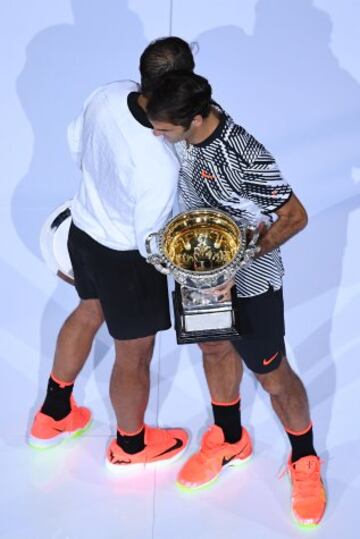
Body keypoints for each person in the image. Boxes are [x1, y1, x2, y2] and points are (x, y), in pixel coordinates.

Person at [146, 70, 326, 527]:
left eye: (164, 129)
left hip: (251, 282)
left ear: (196, 118)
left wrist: (238, 263)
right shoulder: (185, 129)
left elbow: (295, 216)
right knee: (213, 347)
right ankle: (229, 438)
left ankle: (305, 460)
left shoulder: (244, 155)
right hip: (199, 267)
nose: (156, 134)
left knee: (272, 376)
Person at [28, 38, 196, 469]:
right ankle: (131, 445)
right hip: (127, 261)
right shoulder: (160, 164)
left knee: (88, 311)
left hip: (83, 231)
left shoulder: (107, 93)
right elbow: (149, 240)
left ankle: (53, 414)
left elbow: (75, 143)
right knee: (133, 356)